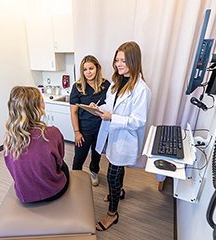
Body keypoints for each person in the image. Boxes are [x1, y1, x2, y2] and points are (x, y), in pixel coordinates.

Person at [94, 41, 151, 231]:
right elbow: (110, 107)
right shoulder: (116, 84)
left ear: (134, 61)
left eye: (123, 61)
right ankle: (119, 192)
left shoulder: (141, 90)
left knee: (112, 174)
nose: (119, 64)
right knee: (115, 170)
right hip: (113, 136)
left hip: (125, 139)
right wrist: (99, 109)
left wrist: (113, 117)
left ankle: (112, 214)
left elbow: (138, 121)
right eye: (117, 60)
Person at [3, 86, 69, 203]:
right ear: (37, 107)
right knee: (63, 165)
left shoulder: (9, 140)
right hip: (54, 192)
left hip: (25, 196)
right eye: (42, 100)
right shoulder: (52, 133)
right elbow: (59, 161)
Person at [69, 55, 110, 186]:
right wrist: (77, 132)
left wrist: (99, 107)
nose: (88, 72)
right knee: (79, 157)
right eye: (85, 69)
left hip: (101, 128)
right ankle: (75, 178)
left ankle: (94, 171)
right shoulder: (78, 87)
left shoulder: (106, 85)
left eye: (91, 68)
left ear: (97, 68)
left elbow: (111, 106)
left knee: (96, 154)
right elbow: (73, 112)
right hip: (84, 129)